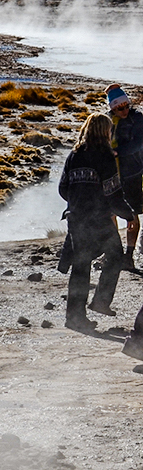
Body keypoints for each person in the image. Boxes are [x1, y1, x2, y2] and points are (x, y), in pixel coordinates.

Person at [58, 112, 135, 328]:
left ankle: (74, 317)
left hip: (76, 219)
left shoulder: (74, 155)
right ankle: (100, 302)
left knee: (80, 266)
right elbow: (112, 193)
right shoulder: (105, 156)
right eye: (110, 129)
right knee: (115, 256)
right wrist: (128, 214)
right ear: (104, 131)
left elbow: (63, 188)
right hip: (98, 220)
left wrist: (78, 201)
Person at [108, 85, 142, 268]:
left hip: (133, 173)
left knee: (132, 212)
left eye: (127, 105)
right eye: (120, 108)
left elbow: (139, 143)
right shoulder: (106, 120)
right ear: (112, 108)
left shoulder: (137, 119)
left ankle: (129, 254)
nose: (125, 110)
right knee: (110, 213)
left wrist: (117, 152)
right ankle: (116, 252)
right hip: (111, 175)